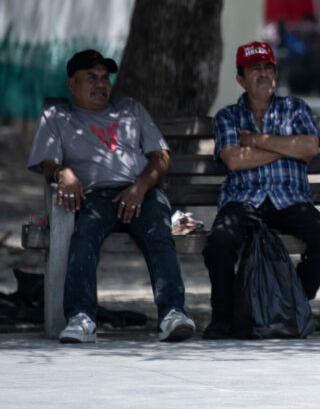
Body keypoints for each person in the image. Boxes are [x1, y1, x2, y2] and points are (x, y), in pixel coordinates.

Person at [26, 49, 195, 343]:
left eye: (105, 77)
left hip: (141, 191)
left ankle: (172, 314)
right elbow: (48, 165)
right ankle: (81, 318)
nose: (101, 84)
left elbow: (161, 158)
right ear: (72, 84)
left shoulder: (131, 110)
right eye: (91, 77)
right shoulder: (58, 116)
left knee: (159, 233)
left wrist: (140, 187)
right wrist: (63, 174)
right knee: (85, 233)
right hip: (94, 197)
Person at [202, 41, 320, 340]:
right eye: (255, 70)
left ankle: (292, 303)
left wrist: (256, 140)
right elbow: (235, 160)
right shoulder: (228, 116)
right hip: (243, 199)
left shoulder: (296, 108)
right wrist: (288, 149)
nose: (263, 74)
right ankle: (223, 318)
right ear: (241, 78)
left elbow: (310, 147)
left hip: (290, 200)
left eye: (268, 67)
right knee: (219, 242)